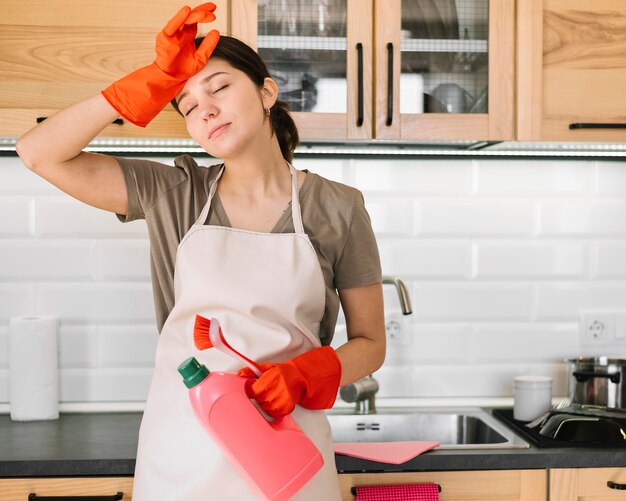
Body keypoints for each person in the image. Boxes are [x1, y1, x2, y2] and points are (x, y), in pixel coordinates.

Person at [16, 3, 385, 500]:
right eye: (187, 105)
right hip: (184, 454)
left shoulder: (338, 207)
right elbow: (38, 152)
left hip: (288, 452)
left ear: (266, 91)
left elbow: (371, 343)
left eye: (219, 87)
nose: (204, 108)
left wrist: (306, 374)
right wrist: (147, 82)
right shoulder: (175, 192)